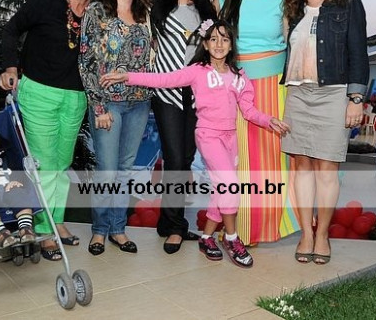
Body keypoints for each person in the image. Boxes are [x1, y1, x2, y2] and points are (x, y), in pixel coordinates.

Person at [101, 20, 290, 268]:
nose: (219, 44)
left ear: (231, 44)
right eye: (214, 39)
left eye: (224, 39)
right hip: (208, 136)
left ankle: (207, 237)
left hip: (230, 140)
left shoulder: (240, 77)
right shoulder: (198, 71)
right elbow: (164, 79)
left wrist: (269, 120)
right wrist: (128, 76)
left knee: (221, 190)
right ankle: (232, 238)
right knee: (230, 186)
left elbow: (249, 111)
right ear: (205, 44)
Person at [0, 0, 105, 260]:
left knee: (61, 164)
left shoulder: (97, 14)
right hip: (38, 93)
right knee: (44, 164)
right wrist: (10, 67)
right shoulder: (47, 1)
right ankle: (43, 230)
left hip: (75, 98)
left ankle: (56, 222)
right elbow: (11, 29)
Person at [281, 0, 369, 265]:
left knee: (327, 169)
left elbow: (359, 52)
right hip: (297, 95)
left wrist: (356, 99)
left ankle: (323, 235)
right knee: (301, 167)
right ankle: (307, 233)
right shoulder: (293, 9)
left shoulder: (347, 2)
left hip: (334, 93)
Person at [213, 0, 297, 245]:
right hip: (234, 91)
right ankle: (241, 230)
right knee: (239, 162)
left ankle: (274, 226)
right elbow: (214, 46)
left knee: (274, 160)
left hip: (274, 88)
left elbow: (293, 43)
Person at [79, 0, 153, 256]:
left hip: (140, 103)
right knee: (107, 171)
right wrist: (98, 106)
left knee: (124, 170)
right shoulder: (97, 10)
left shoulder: (146, 12)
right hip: (107, 103)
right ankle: (99, 230)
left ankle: (118, 229)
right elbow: (86, 61)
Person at [149, 0, 217, 254]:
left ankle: (167, 221)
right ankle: (176, 227)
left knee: (186, 158)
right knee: (175, 158)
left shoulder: (207, 8)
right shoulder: (153, 0)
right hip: (165, 92)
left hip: (197, 94)